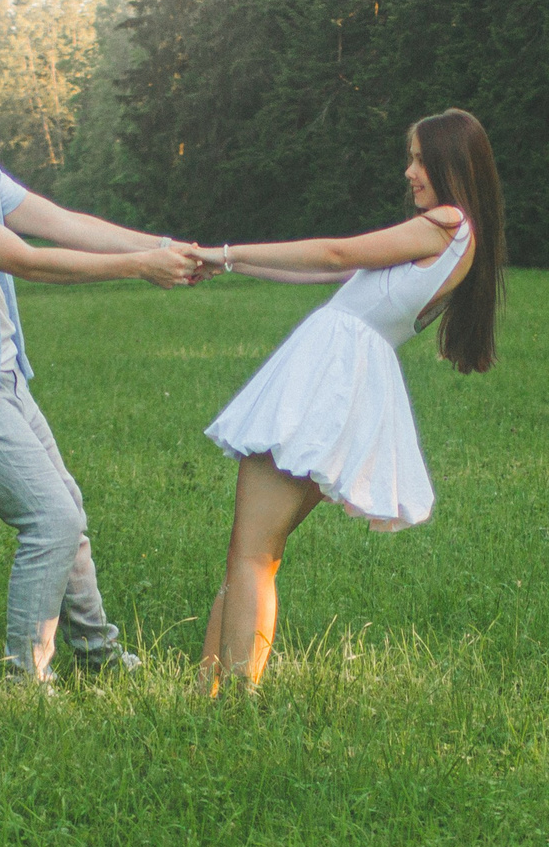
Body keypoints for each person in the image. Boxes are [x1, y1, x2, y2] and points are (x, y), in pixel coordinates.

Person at [0, 33, 206, 688]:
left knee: (66, 510)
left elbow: (59, 221)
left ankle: (98, 655)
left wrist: (164, 246)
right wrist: (141, 266)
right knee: (50, 518)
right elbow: (27, 259)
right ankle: (24, 681)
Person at [192, 108, 505, 692]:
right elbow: (323, 275)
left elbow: (336, 253)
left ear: (450, 164)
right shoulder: (459, 239)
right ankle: (205, 694)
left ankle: (232, 705)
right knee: (258, 553)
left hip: (328, 378)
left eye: (420, 159)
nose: (409, 172)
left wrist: (226, 252)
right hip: (344, 382)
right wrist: (230, 263)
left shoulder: (446, 223)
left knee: (251, 554)